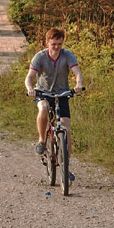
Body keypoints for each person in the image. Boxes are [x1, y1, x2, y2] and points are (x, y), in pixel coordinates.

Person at [24, 28, 84, 168]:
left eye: (59, 44)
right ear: (47, 43)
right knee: (43, 108)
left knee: (66, 129)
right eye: (53, 44)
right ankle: (42, 140)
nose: (57, 47)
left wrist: (79, 84)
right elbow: (30, 77)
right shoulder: (40, 57)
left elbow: (77, 73)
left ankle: (66, 164)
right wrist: (30, 89)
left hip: (62, 94)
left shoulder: (67, 55)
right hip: (43, 93)